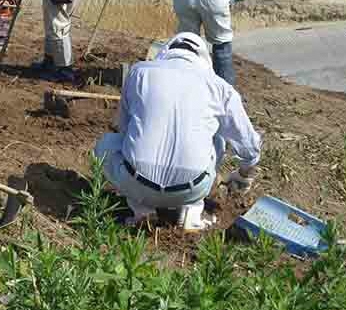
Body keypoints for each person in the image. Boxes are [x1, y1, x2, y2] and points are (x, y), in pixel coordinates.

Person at [93, 32, 263, 231]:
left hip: (135, 182)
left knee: (106, 144)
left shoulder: (139, 72)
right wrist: (243, 174)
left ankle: (141, 210)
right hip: (192, 188)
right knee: (217, 140)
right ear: (204, 60)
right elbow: (250, 147)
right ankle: (192, 211)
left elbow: (122, 126)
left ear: (165, 52)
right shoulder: (221, 88)